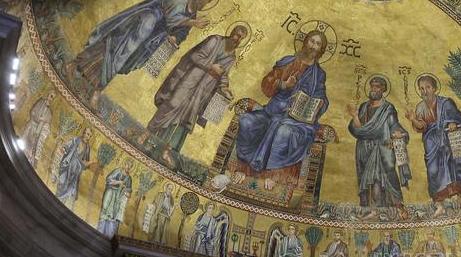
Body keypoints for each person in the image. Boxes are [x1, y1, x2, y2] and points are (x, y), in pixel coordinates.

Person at [70, 0, 216, 106]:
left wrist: (175, 38)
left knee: (125, 57)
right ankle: (94, 83)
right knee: (120, 50)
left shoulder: (193, 14)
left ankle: (85, 73)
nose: (205, 1)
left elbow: (181, 32)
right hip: (144, 22)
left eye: (209, 0)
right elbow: (172, 18)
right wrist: (191, 23)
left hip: (152, 37)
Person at [233, 30, 330, 190]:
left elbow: (322, 99)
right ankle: (243, 167)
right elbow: (266, 84)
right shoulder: (288, 62)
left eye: (318, 44)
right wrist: (283, 84)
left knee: (283, 131)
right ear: (305, 42)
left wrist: (317, 104)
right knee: (247, 121)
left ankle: (273, 174)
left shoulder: (318, 74)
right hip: (271, 113)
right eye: (312, 41)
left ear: (321, 50)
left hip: (297, 121)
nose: (313, 46)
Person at [146, 24, 248, 153]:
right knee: (172, 103)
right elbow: (195, 56)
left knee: (187, 117)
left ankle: (168, 151)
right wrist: (211, 66)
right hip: (191, 78)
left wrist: (224, 87)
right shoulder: (215, 41)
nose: (238, 40)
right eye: (237, 36)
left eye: (241, 39)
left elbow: (223, 74)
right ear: (232, 32)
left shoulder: (232, 57)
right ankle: (148, 133)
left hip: (204, 89)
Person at [405, 73, 461, 215]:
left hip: (447, 139)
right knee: (433, 170)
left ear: (434, 88)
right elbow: (422, 126)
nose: (424, 91)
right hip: (431, 142)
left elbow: (456, 117)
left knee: (453, 166)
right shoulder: (420, 107)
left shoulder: (446, 102)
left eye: (427, 87)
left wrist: (452, 122)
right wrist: (413, 119)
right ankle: (439, 204)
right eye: (421, 88)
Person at [347, 75, 411, 210]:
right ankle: (372, 209)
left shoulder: (388, 108)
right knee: (368, 179)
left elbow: (394, 125)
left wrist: (399, 134)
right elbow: (358, 128)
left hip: (382, 147)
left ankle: (398, 205)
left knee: (385, 174)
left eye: (377, 86)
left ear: (383, 89)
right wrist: (354, 117)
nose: (373, 89)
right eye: (372, 86)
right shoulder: (364, 106)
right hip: (364, 148)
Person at [55, 128, 92, 210]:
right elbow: (67, 146)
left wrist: (90, 163)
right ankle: (55, 201)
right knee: (62, 183)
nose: (88, 136)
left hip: (76, 173)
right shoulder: (76, 140)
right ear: (83, 133)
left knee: (70, 192)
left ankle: (62, 207)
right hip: (68, 166)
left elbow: (85, 162)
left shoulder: (88, 148)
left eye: (89, 135)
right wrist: (63, 149)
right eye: (87, 134)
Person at [98, 159, 133, 238]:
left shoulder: (129, 178)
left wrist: (126, 192)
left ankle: (110, 235)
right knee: (105, 210)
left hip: (119, 198)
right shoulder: (118, 171)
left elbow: (129, 191)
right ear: (124, 164)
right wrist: (119, 182)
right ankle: (100, 231)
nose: (128, 167)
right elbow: (108, 179)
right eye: (127, 164)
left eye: (130, 166)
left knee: (114, 214)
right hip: (110, 192)